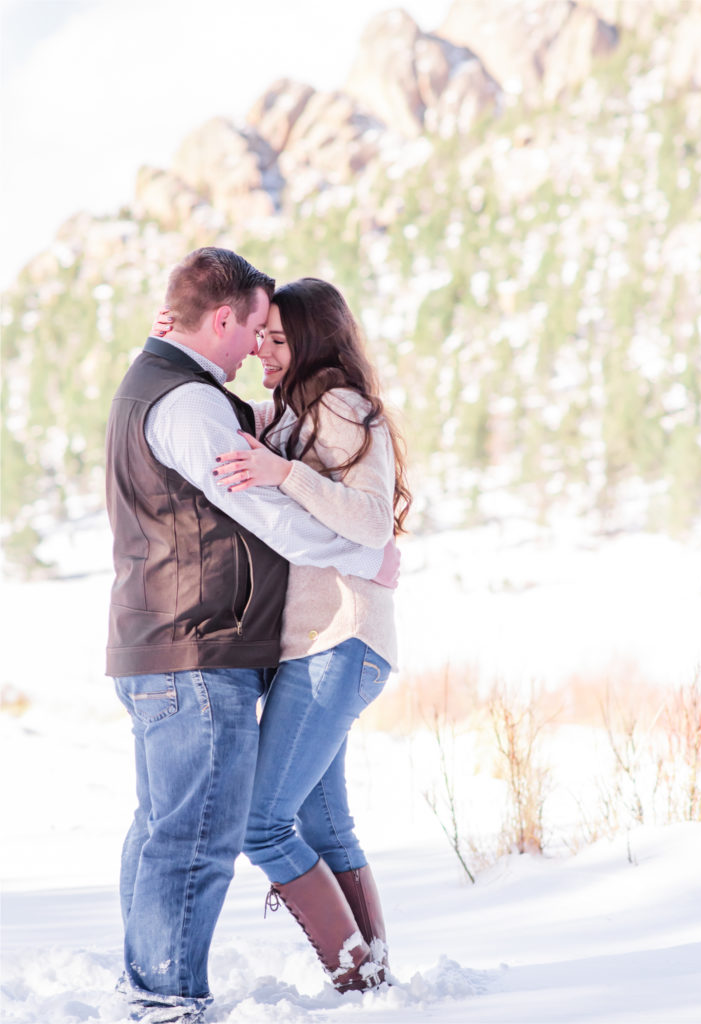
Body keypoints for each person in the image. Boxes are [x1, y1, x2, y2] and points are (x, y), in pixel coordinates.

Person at [107, 248, 398, 1024]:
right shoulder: (210, 403)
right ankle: (175, 994)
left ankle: (356, 976)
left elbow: (343, 507)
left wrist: (361, 544)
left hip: (319, 638)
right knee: (206, 831)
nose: (256, 350)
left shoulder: (327, 407)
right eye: (252, 333)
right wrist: (370, 555)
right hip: (207, 646)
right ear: (225, 321)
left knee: (237, 826)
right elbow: (281, 513)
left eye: (275, 338)